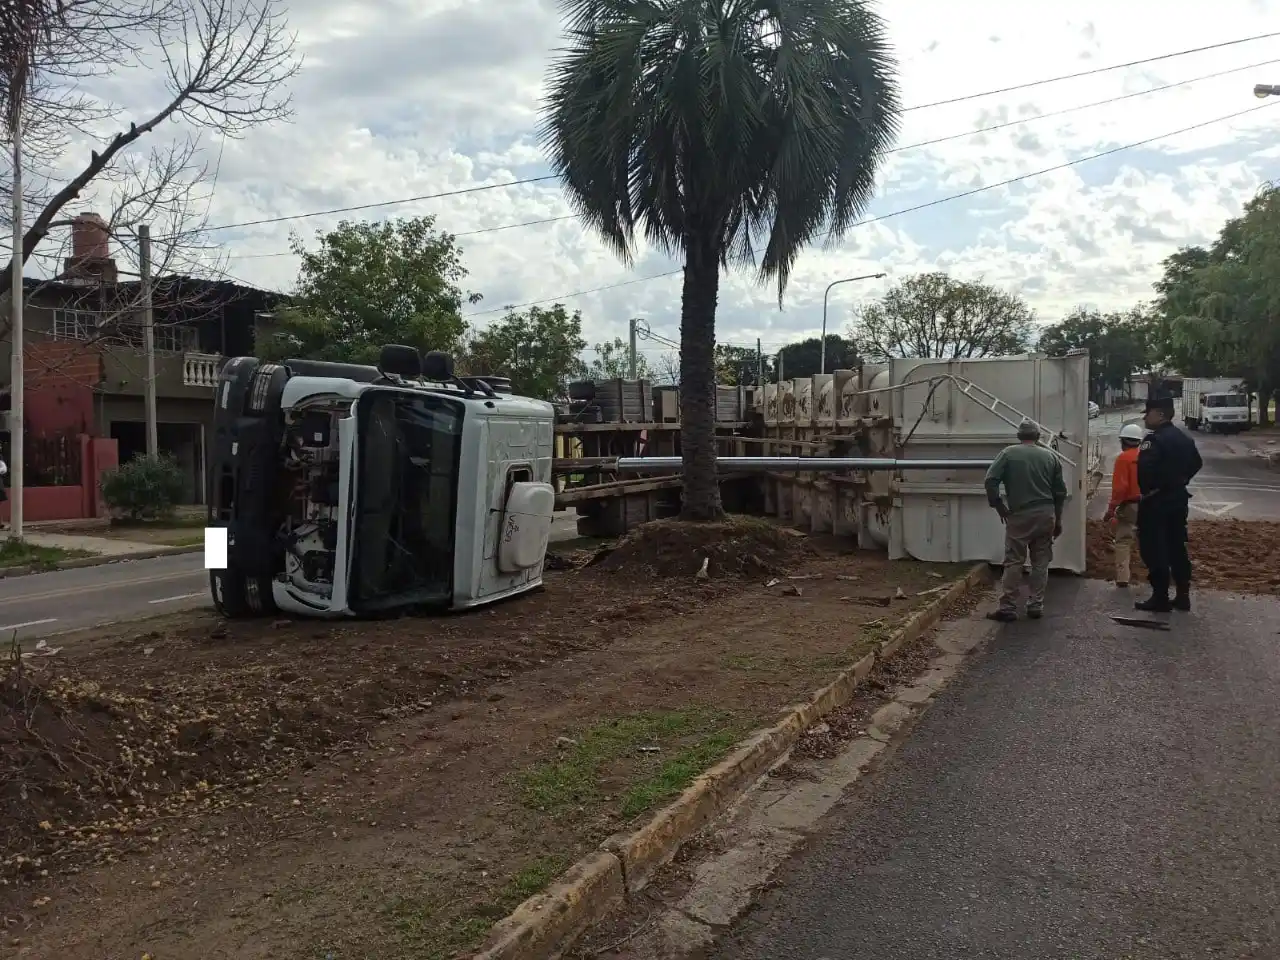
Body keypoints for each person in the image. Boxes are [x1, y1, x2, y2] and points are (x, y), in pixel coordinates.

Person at [983, 419, 1067, 622]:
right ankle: (1035, 605)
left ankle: (1008, 608)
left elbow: (990, 480)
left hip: (1020, 515)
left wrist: (999, 505)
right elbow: (1060, 492)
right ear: (1038, 437)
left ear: (1019, 436)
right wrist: (1058, 519)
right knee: (1041, 562)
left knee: (1014, 561)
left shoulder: (1008, 454)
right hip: (1046, 514)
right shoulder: (1051, 457)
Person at [1135, 393, 1202, 612]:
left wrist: (1150, 491)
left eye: (1148, 413)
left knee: (1154, 549)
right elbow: (1196, 463)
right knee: (1176, 547)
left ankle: (1160, 597)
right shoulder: (1184, 438)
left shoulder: (1153, 440)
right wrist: (1180, 480)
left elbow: (1145, 473)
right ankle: (1183, 595)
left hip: (1156, 502)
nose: (1145, 418)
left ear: (1160, 414)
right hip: (1178, 500)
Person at [1103, 423, 1146, 587]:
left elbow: (1120, 488)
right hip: (1147, 503)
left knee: (1123, 540)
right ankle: (1152, 571)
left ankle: (1122, 577)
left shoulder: (1123, 458)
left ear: (1123, 441)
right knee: (1147, 538)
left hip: (1130, 505)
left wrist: (1111, 509)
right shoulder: (1144, 456)